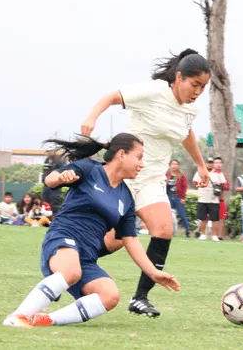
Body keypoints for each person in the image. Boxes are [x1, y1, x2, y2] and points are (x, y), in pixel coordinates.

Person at [80, 48, 210, 317]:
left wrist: (200, 164)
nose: (198, 91)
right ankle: (73, 266)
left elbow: (185, 134)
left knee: (163, 229)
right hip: (125, 177)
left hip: (151, 180)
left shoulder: (189, 109)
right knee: (114, 241)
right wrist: (91, 117)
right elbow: (112, 97)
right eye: (194, 84)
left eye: (203, 87)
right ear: (179, 77)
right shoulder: (153, 91)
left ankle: (140, 298)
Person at [3, 133, 180, 328]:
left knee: (110, 296)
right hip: (63, 237)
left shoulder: (127, 198)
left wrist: (153, 272)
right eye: (139, 157)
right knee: (71, 271)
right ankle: (19, 316)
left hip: (87, 257)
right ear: (121, 154)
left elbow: (130, 240)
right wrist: (59, 178)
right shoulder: (90, 170)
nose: (142, 164)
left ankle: (44, 320)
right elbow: (51, 179)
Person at [193, 158, 226, 242]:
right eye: (208, 163)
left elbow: (223, 184)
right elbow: (195, 182)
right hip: (202, 198)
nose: (210, 165)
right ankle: (203, 234)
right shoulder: (200, 172)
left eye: (211, 163)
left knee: (215, 219)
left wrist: (217, 188)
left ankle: (214, 235)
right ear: (205, 164)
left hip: (214, 199)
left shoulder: (218, 173)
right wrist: (201, 185)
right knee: (203, 218)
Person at [166, 159, 190, 237]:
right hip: (168, 197)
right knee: (167, 215)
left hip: (178, 197)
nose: (174, 166)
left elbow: (185, 187)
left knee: (182, 215)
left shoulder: (181, 176)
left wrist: (183, 198)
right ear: (170, 166)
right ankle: (168, 230)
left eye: (176, 164)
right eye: (172, 164)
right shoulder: (167, 175)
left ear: (178, 166)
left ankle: (187, 230)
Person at [42, 148, 66, 216]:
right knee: (45, 203)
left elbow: (63, 171)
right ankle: (46, 220)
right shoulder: (47, 160)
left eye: (49, 151)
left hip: (55, 186)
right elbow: (45, 171)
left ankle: (56, 219)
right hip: (46, 185)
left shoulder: (59, 160)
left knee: (55, 204)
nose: (48, 153)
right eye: (47, 151)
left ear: (54, 151)